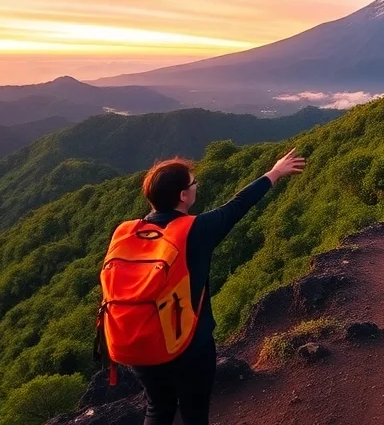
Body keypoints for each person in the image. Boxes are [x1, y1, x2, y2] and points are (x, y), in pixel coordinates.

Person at [101, 149, 306, 425]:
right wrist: (276, 172)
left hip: (136, 341)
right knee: (194, 412)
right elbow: (238, 205)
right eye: (193, 183)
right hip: (189, 345)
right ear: (184, 196)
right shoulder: (195, 229)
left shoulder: (123, 232)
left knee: (158, 407)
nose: (196, 186)